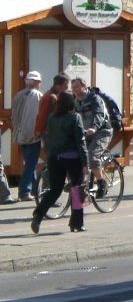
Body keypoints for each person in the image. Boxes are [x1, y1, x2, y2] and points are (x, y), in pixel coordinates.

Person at [31, 90, 88, 233]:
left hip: (54, 158)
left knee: (55, 190)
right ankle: (77, 223)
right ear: (71, 103)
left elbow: (48, 137)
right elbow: (80, 141)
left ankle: (38, 215)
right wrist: (85, 163)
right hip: (72, 157)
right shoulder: (75, 117)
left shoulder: (51, 118)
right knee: (77, 188)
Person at [71, 77, 112, 196]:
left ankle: (101, 183)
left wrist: (94, 128)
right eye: (72, 87)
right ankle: (81, 183)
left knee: (92, 156)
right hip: (86, 132)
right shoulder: (75, 100)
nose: (74, 89)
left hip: (102, 131)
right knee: (76, 155)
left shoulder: (94, 98)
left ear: (84, 86)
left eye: (76, 86)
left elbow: (99, 114)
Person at [11, 70, 44, 201]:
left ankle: (35, 190)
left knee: (30, 163)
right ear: (36, 82)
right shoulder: (38, 95)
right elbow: (40, 115)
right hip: (32, 134)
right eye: (39, 82)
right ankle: (24, 191)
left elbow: (14, 116)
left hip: (19, 134)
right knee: (30, 164)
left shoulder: (18, 95)